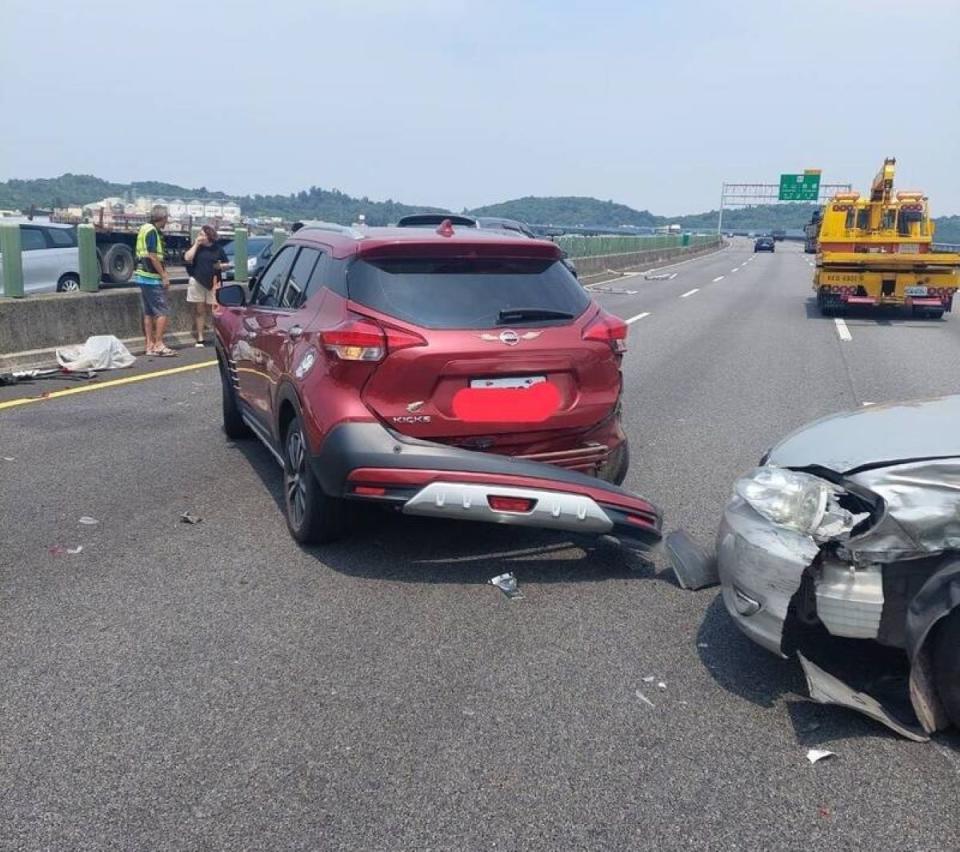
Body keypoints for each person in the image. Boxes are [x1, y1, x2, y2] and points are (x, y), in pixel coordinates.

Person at [134, 205, 175, 356]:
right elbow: (153, 255)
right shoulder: (152, 231)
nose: (167, 221)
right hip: (151, 277)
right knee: (162, 311)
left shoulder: (144, 228)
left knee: (148, 312)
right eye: (166, 218)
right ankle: (159, 344)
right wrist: (164, 275)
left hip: (142, 275)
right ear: (163, 218)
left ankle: (149, 345)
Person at [183, 224, 228, 346]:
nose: (200, 237)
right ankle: (200, 337)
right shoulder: (197, 247)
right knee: (199, 310)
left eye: (202, 235)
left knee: (215, 311)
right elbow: (187, 258)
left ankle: (218, 336)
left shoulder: (218, 249)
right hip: (198, 281)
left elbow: (226, 264)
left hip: (213, 281)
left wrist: (220, 266)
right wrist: (196, 244)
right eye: (199, 234)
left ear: (209, 236)